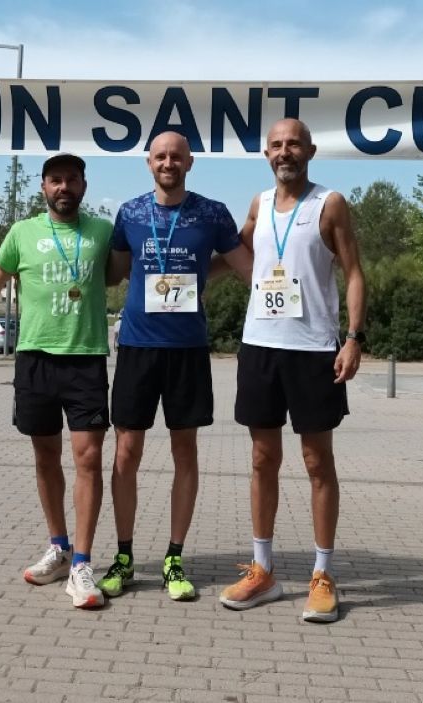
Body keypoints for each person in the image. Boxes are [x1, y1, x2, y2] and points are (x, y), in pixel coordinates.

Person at [218, 118, 366, 623]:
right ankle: (263, 570)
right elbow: (233, 257)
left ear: (310, 150)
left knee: (317, 462)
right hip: (260, 347)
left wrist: (354, 337)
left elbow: (354, 273)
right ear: (266, 153)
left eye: (294, 144)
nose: (286, 152)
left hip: (313, 351)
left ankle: (322, 575)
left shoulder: (330, 204)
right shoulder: (258, 204)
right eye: (277, 145)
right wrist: (180, 273)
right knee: (263, 459)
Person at [0, 153, 113, 609]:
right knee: (45, 457)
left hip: (86, 359)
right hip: (35, 359)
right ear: (43, 187)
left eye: (72, 180)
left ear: (83, 186)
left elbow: (128, 273)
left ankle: (82, 563)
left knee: (88, 458)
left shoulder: (103, 232)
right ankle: (58, 547)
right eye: (55, 180)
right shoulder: (22, 233)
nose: (64, 187)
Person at [99, 131, 252, 602]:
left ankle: (174, 558)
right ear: (149, 163)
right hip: (137, 346)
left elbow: (248, 267)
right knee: (126, 452)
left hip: (188, 349)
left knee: (186, 453)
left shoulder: (212, 213)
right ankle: (124, 556)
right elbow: (116, 273)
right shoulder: (129, 213)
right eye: (161, 156)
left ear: (190, 163)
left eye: (177, 156)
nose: (169, 163)